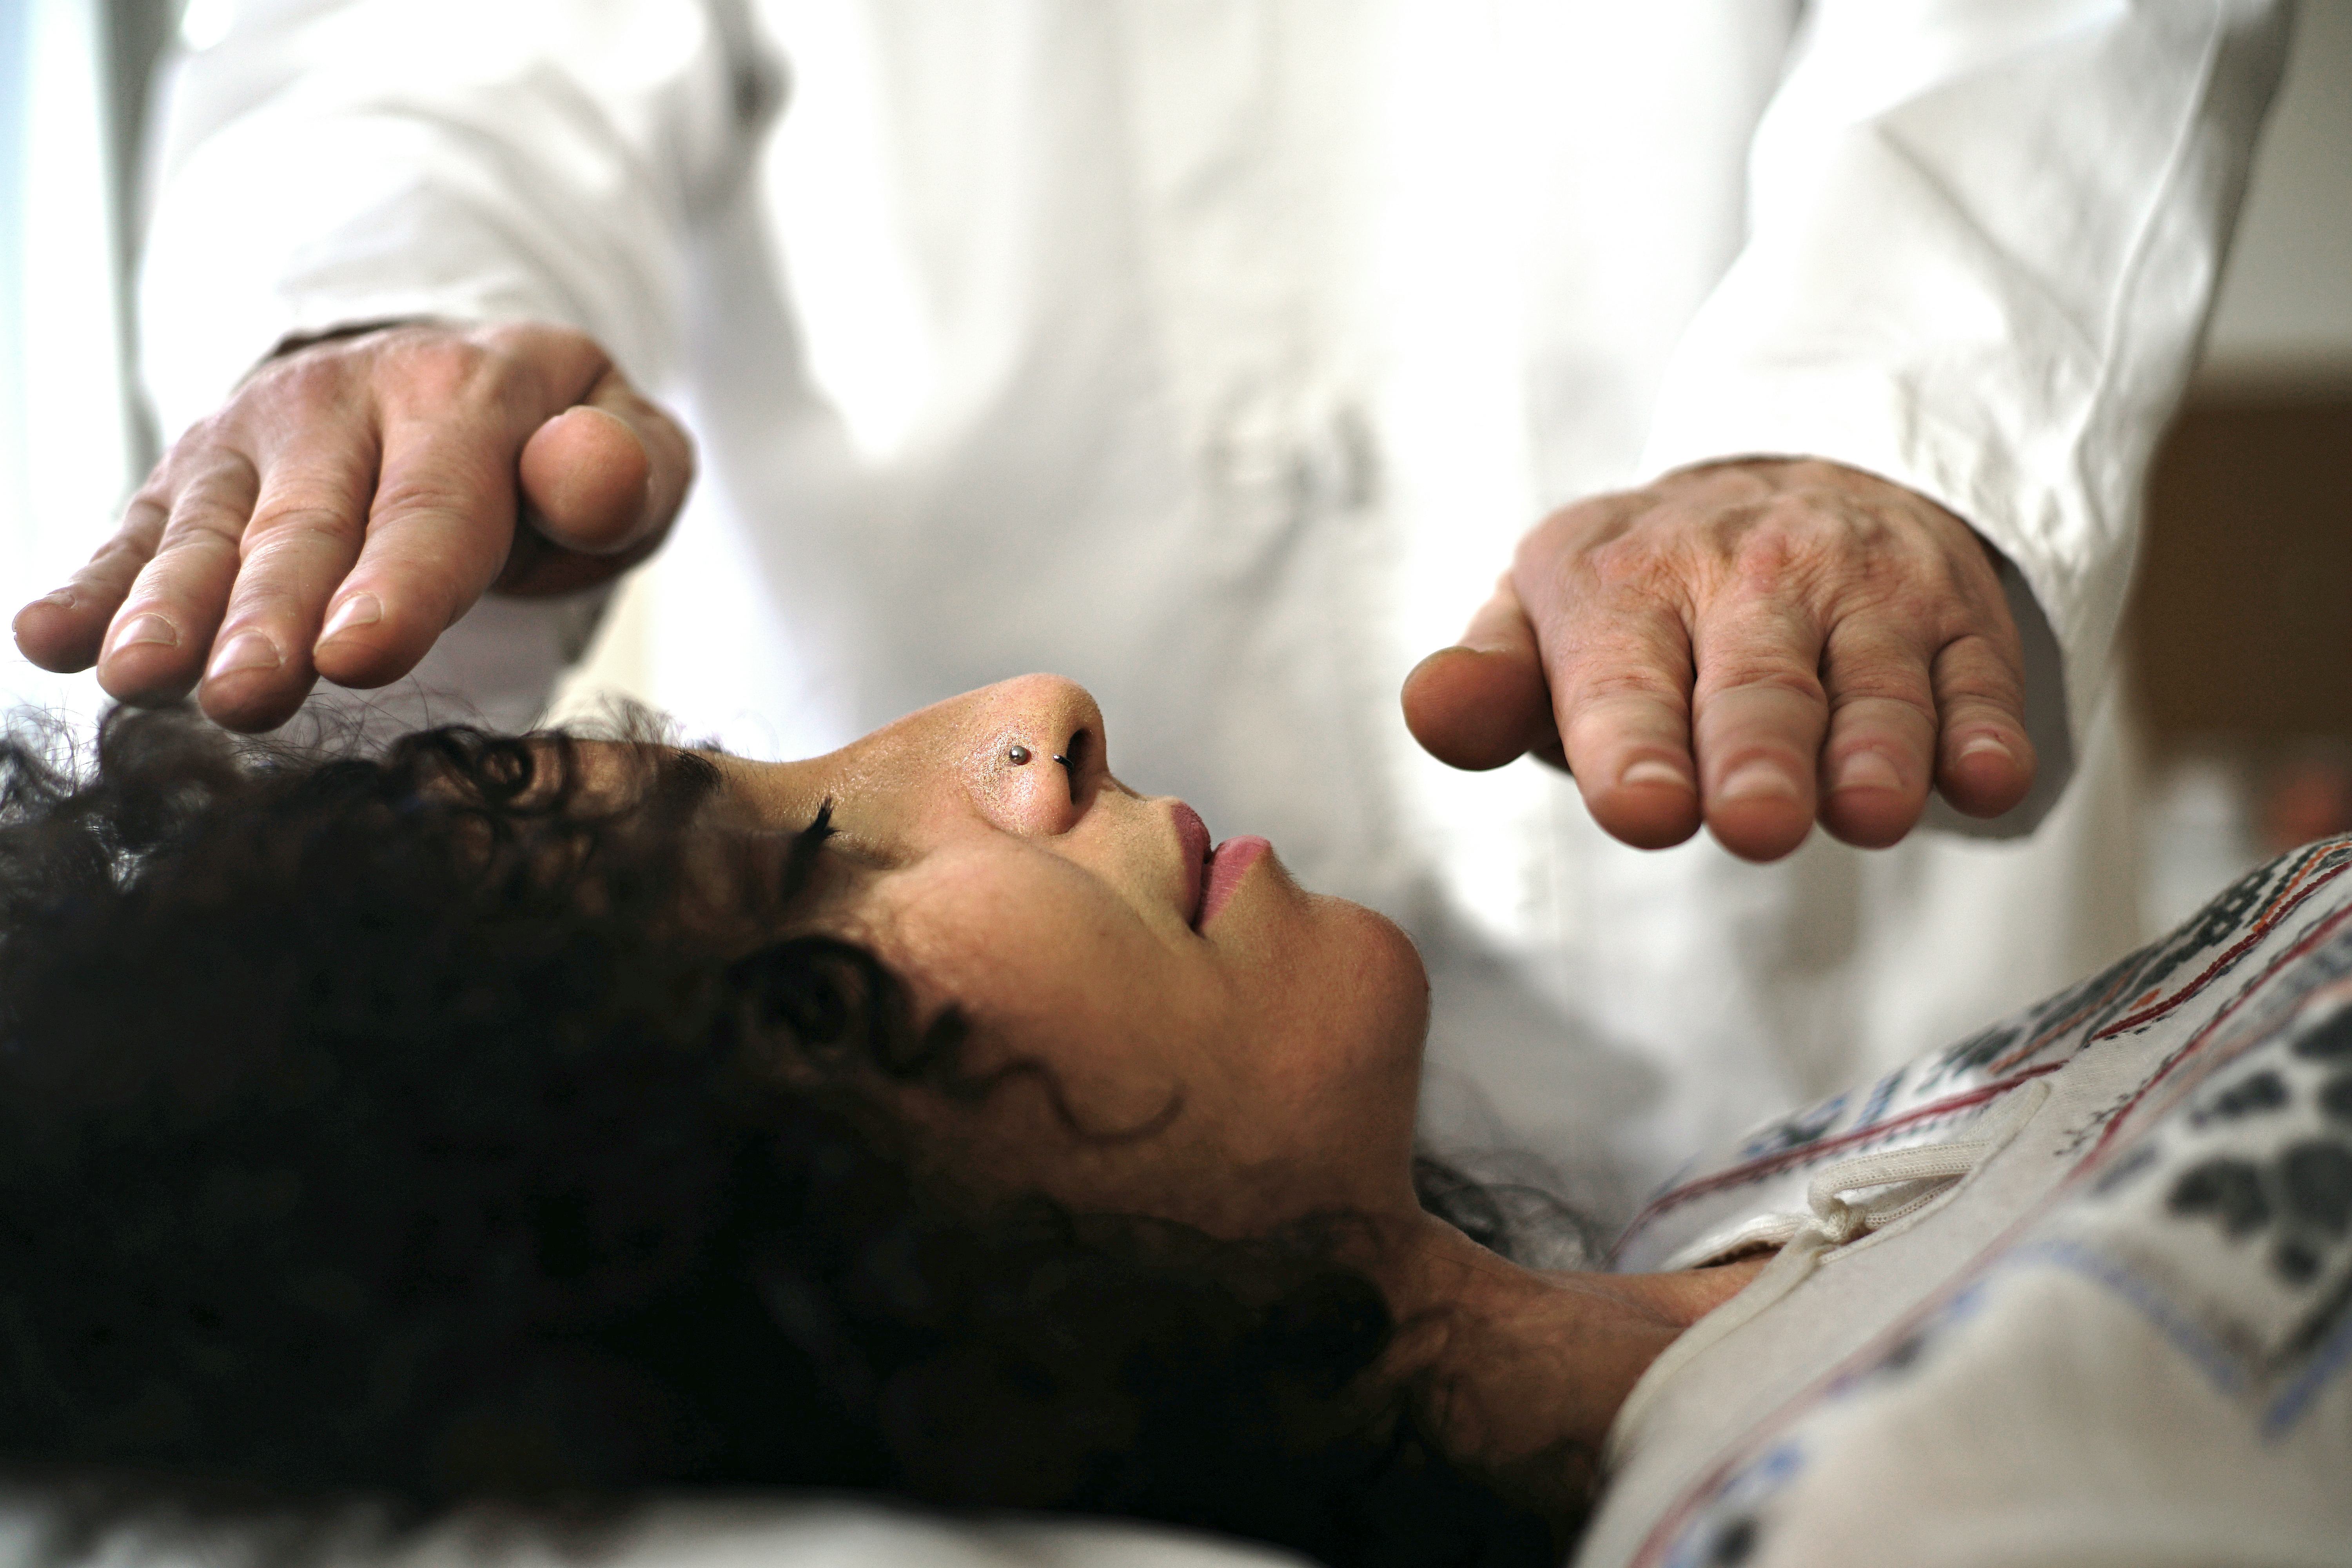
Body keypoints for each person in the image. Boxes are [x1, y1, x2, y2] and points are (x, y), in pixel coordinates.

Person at [6, 2, 2296, 1210]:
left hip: (1870, 986)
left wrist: (1889, 415)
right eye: (772, 838)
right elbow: (417, 48)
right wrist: (383, 312)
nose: (1047, 714)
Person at [3, 675, 2348, 1568]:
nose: (1028, 717)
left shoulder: (1750, 1221)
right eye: (818, 883)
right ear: (815, 1291)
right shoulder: (1921, 1513)